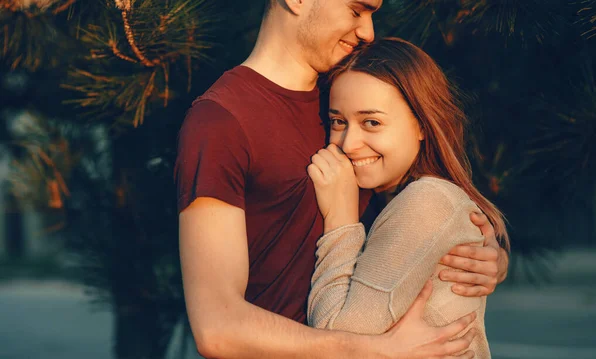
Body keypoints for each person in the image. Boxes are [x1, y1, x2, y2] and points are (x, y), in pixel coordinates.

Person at [175, 1, 509, 358]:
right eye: (356, 10)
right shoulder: (222, 121)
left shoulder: (347, 95)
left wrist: (482, 253)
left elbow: (417, 207)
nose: (368, 32)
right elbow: (217, 329)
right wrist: (374, 350)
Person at [306, 38, 511, 358]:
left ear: (422, 125)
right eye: (338, 122)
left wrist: (340, 221)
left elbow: (334, 337)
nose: (348, 144)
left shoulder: (426, 202)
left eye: (371, 122)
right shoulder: (396, 198)